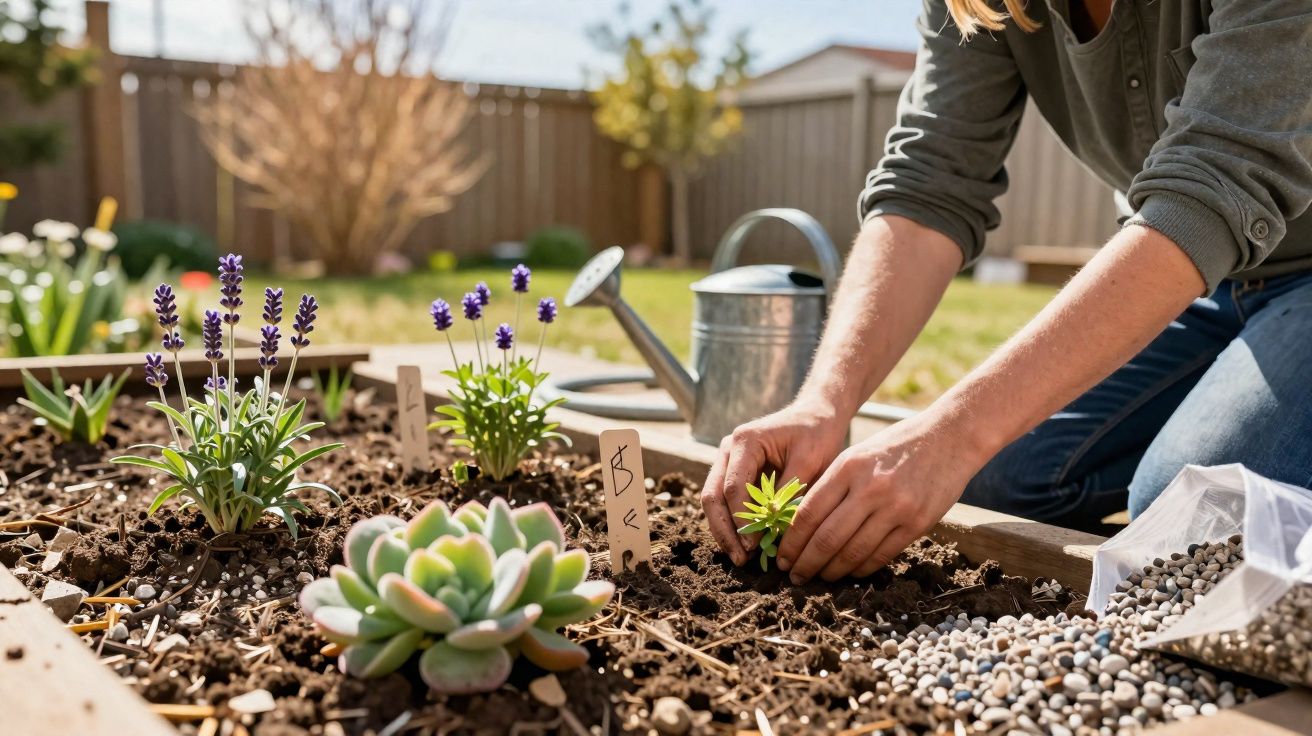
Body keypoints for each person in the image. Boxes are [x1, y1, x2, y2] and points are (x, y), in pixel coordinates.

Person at [701, 0, 1312, 585]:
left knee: (1195, 513)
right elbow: (930, 182)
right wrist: (823, 404)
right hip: (1202, 284)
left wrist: (952, 434)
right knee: (995, 478)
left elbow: (1212, 187)